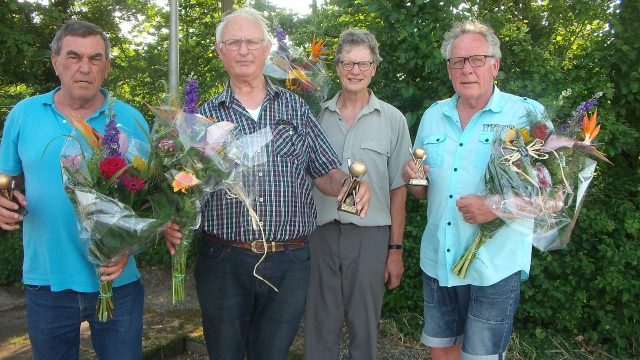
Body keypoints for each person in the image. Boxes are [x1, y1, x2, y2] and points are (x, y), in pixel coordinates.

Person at [163, 8, 371, 360]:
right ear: (219, 50)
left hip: (289, 260)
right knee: (225, 354)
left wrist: (349, 185)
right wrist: (172, 220)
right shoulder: (200, 120)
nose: (243, 50)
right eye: (233, 43)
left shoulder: (295, 109)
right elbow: (183, 188)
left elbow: (325, 172)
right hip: (223, 259)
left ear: (267, 48)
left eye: (252, 42)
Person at [0, 20, 147, 359]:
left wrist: (129, 246)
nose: (85, 67)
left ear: (107, 67)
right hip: (46, 279)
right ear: (55, 62)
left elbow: (151, 203)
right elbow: (8, 181)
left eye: (96, 58)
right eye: (73, 56)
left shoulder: (131, 120)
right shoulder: (23, 115)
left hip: (117, 279)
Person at [401, 20, 546, 360]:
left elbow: (554, 197)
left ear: (495, 64)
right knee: (441, 355)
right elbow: (422, 193)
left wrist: (496, 207)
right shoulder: (433, 116)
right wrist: (414, 179)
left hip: (494, 267)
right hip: (439, 260)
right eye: (457, 61)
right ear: (449, 69)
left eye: (476, 59)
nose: (466, 69)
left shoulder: (526, 115)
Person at [304, 29, 412, 360]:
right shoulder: (314, 115)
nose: (355, 71)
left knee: (364, 329)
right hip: (319, 234)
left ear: (375, 67)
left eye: (363, 63)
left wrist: (395, 250)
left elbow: (399, 191)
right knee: (319, 326)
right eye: (348, 63)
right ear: (336, 66)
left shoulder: (392, 120)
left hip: (370, 239)